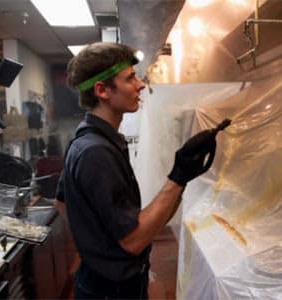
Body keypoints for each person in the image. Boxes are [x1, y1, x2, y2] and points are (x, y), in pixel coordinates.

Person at [54, 42, 220, 299]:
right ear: (102, 90)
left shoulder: (88, 139)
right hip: (112, 292)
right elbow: (134, 240)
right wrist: (177, 177)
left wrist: (96, 243)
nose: (141, 85)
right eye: (130, 78)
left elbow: (62, 203)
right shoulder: (97, 152)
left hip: (100, 282)